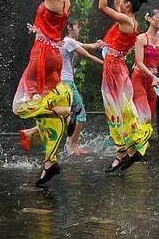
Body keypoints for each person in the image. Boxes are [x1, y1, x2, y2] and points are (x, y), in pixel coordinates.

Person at [12, 0, 73, 186]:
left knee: (22, 105)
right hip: (55, 56)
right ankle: (50, 162)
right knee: (44, 104)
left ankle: (63, 111)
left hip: (42, 56)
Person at [18, 21, 104, 155]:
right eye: (77, 27)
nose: (79, 30)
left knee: (62, 114)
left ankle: (29, 132)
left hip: (57, 82)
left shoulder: (63, 42)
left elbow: (87, 46)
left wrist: (97, 45)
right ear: (69, 28)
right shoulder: (69, 41)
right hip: (67, 83)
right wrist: (105, 64)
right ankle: (73, 146)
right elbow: (87, 55)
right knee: (79, 113)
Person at [98, 0, 153, 172]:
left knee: (116, 110)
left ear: (128, 5)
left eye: (122, 1)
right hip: (115, 66)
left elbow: (103, 7)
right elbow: (116, 6)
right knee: (119, 110)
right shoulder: (129, 20)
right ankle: (123, 152)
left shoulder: (126, 22)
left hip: (114, 68)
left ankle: (131, 147)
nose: (120, 3)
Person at [132, 9, 159, 125]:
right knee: (143, 112)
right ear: (149, 18)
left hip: (153, 82)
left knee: (151, 113)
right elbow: (139, 62)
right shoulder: (141, 38)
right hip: (139, 77)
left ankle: (143, 140)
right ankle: (137, 141)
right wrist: (152, 76)